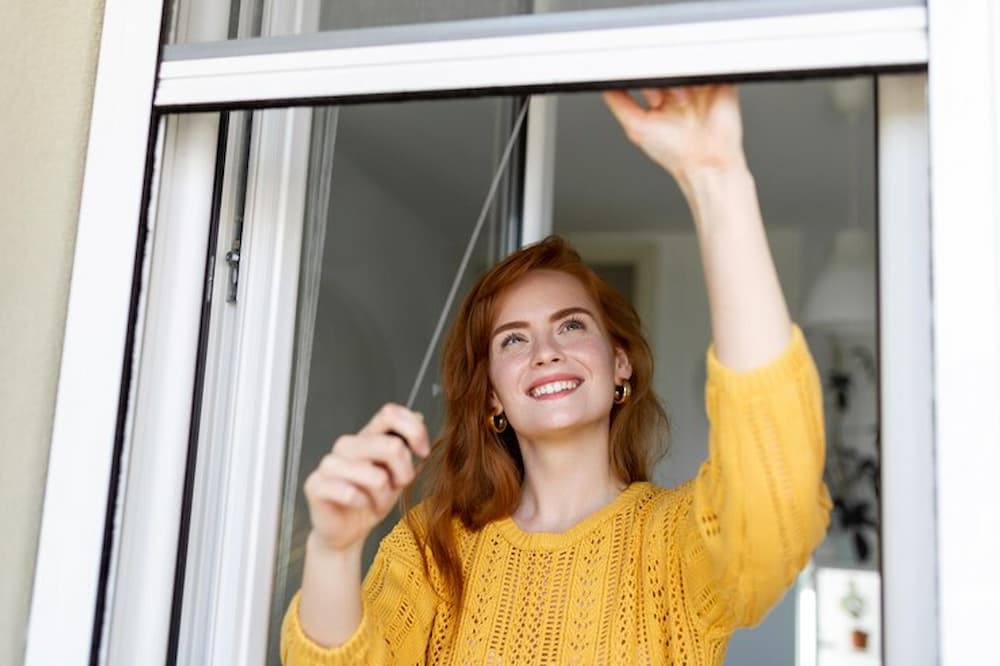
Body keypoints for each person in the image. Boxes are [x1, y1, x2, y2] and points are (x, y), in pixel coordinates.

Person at [280, 84, 831, 665]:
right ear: (492, 394)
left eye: (571, 327)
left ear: (619, 364)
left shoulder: (675, 543)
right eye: (513, 339)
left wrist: (717, 179)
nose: (545, 351)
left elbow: (777, 497)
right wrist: (333, 549)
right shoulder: (431, 547)